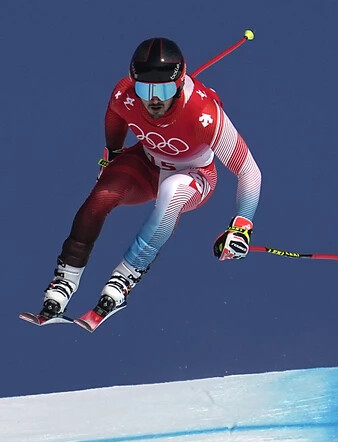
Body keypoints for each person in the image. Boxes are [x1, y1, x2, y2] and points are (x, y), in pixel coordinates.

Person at [39, 37, 262, 326]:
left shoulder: (203, 114)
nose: (154, 100)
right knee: (102, 195)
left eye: (164, 90)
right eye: (145, 89)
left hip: (195, 175)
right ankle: (64, 280)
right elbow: (115, 115)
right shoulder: (125, 95)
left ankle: (124, 280)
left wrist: (241, 226)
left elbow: (249, 171)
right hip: (146, 164)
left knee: (172, 191)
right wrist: (112, 155)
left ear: (178, 85)